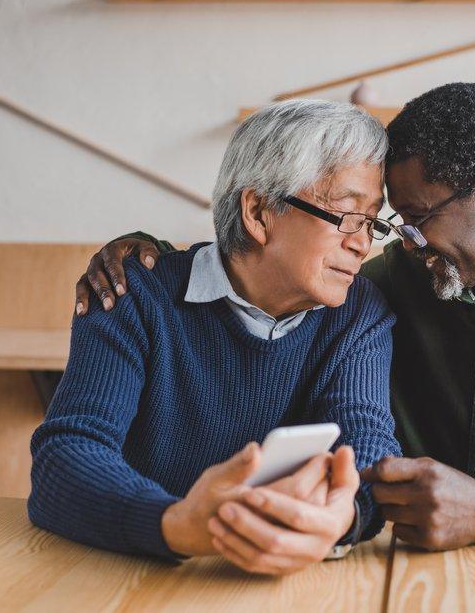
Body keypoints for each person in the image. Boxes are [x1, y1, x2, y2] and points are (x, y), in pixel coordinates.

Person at [73, 83, 475, 559]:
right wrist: (139, 255)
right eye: (386, 222)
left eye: (411, 219)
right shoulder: (384, 284)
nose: (389, 243)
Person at [28, 99, 401, 575]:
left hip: (285, 580)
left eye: (371, 221)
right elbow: (66, 456)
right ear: (259, 212)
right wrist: (177, 524)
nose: (362, 243)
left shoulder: (358, 312)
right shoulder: (134, 293)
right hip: (133, 573)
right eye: (347, 215)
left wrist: (341, 518)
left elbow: (368, 443)